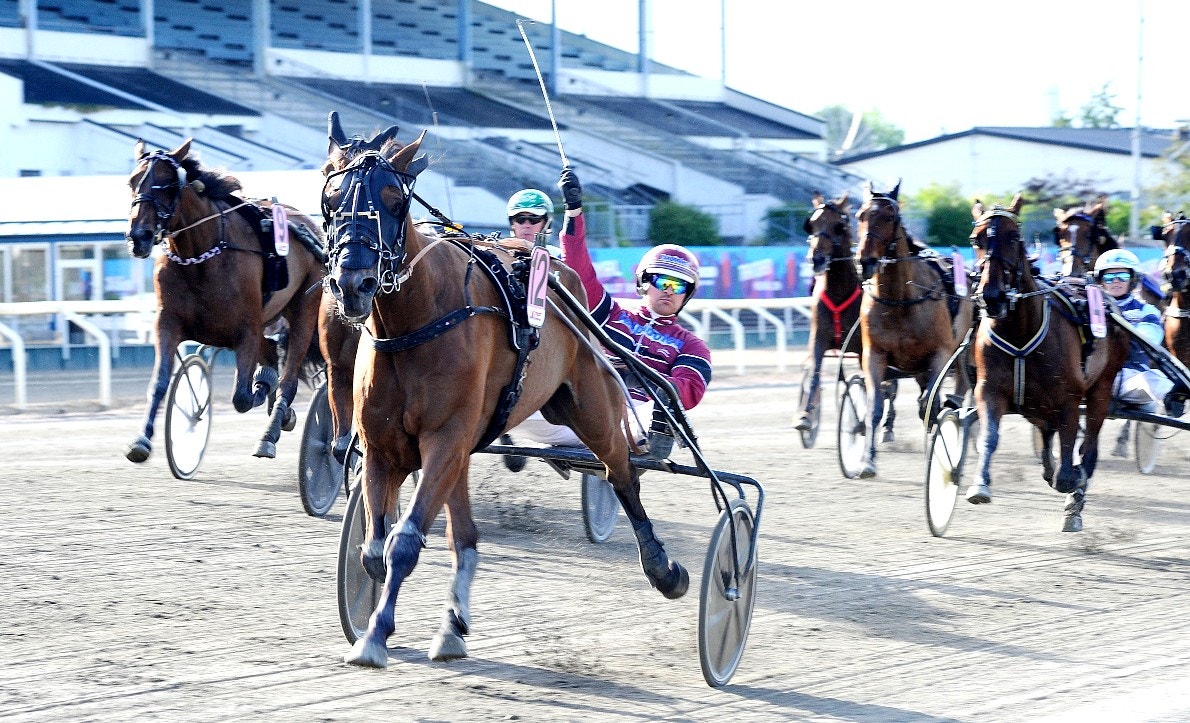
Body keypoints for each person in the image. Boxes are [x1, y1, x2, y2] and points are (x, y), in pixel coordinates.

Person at [500, 167, 713, 465]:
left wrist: (642, 382)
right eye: (661, 281)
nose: (668, 290)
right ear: (643, 282)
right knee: (502, 404)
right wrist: (574, 212)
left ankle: (644, 442)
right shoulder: (610, 312)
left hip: (634, 415)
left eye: (678, 285)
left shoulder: (692, 346)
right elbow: (577, 266)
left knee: (647, 417)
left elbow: (689, 389)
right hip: (579, 411)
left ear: (687, 294)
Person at [1093, 249, 1181, 424]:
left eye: (1122, 277)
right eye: (1109, 278)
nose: (1116, 282)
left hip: (1130, 380)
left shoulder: (1146, 311)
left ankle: (1174, 398)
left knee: (1152, 377)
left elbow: (1150, 339)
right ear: (1101, 281)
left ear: (1132, 280)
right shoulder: (1089, 308)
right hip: (1092, 379)